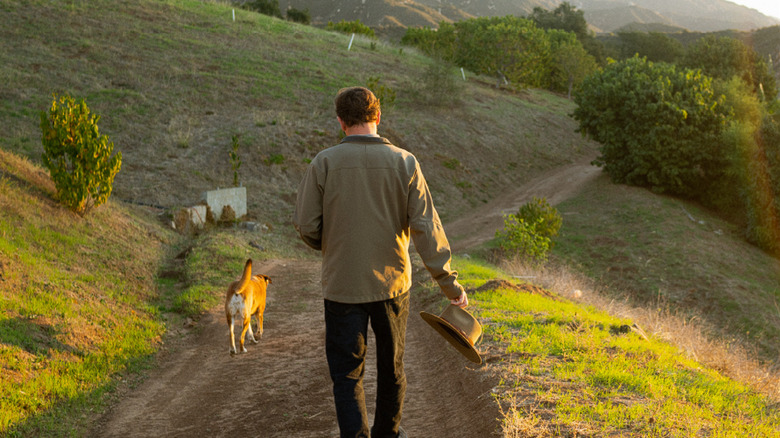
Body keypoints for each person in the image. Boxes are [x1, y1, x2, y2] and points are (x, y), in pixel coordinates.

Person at [293, 86, 468, 438]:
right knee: (392, 370)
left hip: (342, 286)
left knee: (346, 375)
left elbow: (306, 226)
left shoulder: (323, 163)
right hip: (392, 286)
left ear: (341, 121)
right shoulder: (405, 162)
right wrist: (449, 284)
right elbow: (426, 230)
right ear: (378, 117)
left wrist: (332, 247)